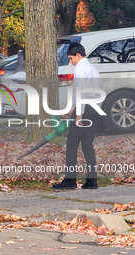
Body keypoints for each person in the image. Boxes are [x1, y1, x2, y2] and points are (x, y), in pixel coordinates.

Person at [52, 42, 101, 190]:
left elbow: (80, 92)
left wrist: (78, 114)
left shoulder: (80, 68)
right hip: (94, 110)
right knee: (87, 145)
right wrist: (72, 110)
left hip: (84, 111)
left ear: (78, 55)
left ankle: (70, 180)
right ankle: (92, 181)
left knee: (72, 144)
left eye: (71, 58)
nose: (70, 62)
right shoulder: (93, 69)